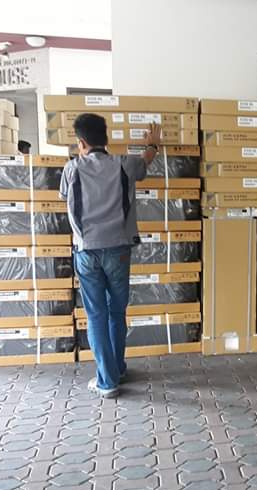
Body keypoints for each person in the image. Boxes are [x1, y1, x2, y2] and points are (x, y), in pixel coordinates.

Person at [59, 113, 161, 398]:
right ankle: (117, 368)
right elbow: (145, 161)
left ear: (81, 143)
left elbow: (64, 197)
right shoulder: (124, 164)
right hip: (118, 250)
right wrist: (153, 144)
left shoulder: (71, 169)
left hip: (86, 251)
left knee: (96, 315)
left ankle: (107, 381)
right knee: (116, 312)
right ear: (106, 139)